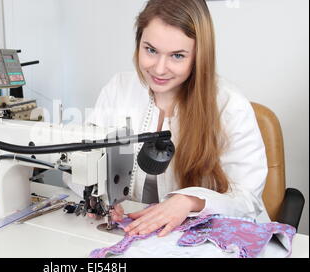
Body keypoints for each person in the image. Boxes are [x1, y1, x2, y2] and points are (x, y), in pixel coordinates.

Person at [85, 0, 269, 237]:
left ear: (198, 56)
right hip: (134, 232)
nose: (160, 69)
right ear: (138, 43)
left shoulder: (230, 105)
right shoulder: (118, 88)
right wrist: (95, 195)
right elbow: (82, 159)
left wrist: (190, 201)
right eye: (150, 50)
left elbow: (248, 199)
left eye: (177, 56)